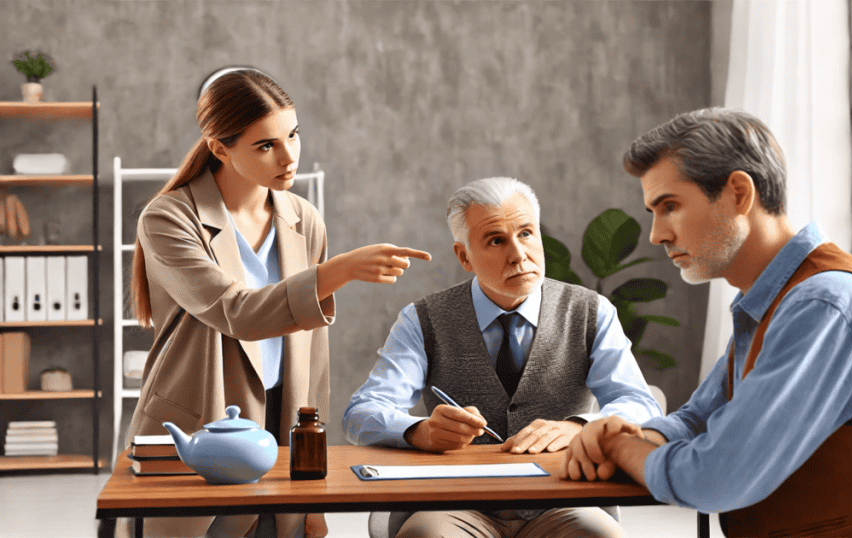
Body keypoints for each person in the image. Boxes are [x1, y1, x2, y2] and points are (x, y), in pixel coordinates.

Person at [559, 108, 852, 537]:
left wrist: (620, 445)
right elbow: (698, 417)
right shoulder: (775, 300)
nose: (657, 234)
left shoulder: (823, 304)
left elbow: (712, 477)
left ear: (738, 193)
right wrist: (633, 432)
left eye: (670, 206)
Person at [122, 69, 431, 538]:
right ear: (219, 147)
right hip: (200, 424)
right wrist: (341, 270)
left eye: (293, 135)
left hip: (282, 424)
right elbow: (237, 312)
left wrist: (314, 490)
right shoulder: (168, 218)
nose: (289, 156)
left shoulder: (303, 218)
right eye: (266, 145)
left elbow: (314, 359)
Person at [343, 177, 663, 538]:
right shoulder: (423, 319)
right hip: (453, 504)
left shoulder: (591, 312)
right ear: (464, 256)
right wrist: (420, 431)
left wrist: (578, 427)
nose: (518, 254)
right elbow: (361, 413)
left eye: (526, 233)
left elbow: (642, 406)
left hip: (563, 499)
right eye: (496, 240)